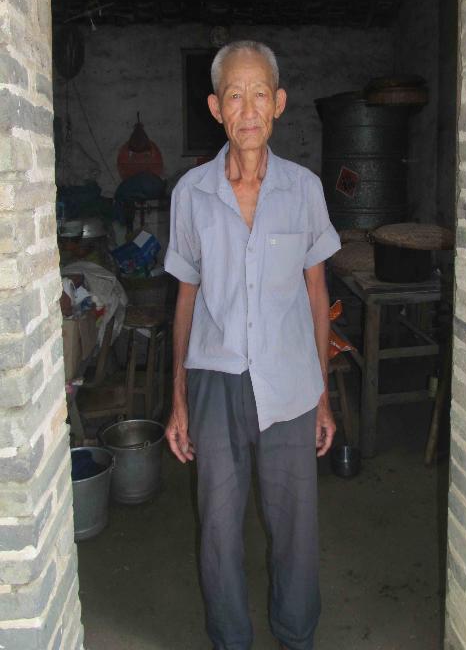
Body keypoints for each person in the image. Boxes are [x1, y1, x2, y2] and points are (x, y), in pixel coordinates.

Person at [164, 40, 341, 650]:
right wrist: (179, 398)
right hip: (214, 383)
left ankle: (296, 635)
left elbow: (317, 293)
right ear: (216, 107)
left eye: (259, 94)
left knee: (295, 527)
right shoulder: (190, 193)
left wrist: (322, 396)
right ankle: (230, 638)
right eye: (234, 95)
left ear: (279, 103)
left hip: (289, 384)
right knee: (218, 527)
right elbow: (185, 298)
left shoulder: (305, 189)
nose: (248, 109)